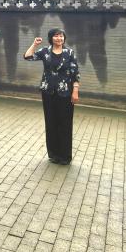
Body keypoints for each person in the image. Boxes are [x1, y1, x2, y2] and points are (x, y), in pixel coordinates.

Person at [23, 29, 81, 165]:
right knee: (51, 123)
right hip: (48, 92)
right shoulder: (45, 51)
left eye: (61, 36)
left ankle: (65, 156)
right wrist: (34, 44)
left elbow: (75, 72)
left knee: (65, 124)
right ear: (51, 38)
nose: (59, 38)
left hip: (65, 93)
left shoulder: (69, 53)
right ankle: (54, 154)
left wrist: (75, 91)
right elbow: (27, 56)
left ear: (64, 38)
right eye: (56, 36)